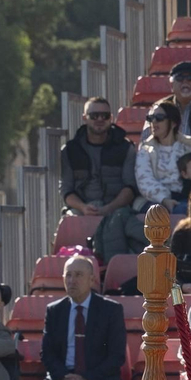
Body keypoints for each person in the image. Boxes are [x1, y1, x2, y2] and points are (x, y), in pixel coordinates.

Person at [62, 97, 144, 260]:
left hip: (116, 206)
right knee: (68, 222)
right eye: (94, 115)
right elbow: (66, 191)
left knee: (122, 220)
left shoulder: (125, 147)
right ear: (84, 118)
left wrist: (108, 208)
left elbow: (130, 188)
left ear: (111, 118)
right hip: (82, 207)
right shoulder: (70, 150)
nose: (100, 119)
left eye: (105, 116)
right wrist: (84, 207)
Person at [135, 99, 191, 212]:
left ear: (173, 123)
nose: (154, 122)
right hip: (157, 201)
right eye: (150, 118)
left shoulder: (190, 145)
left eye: (159, 118)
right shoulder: (146, 149)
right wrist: (165, 199)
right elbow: (145, 181)